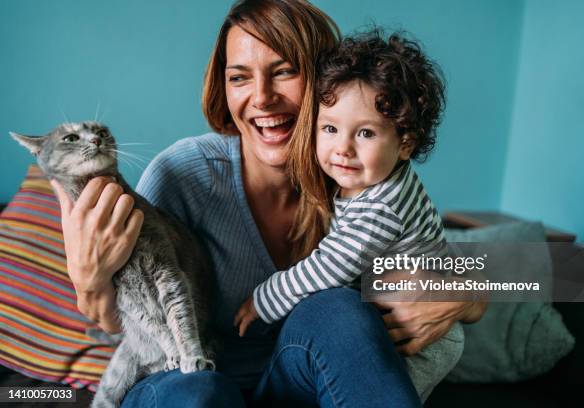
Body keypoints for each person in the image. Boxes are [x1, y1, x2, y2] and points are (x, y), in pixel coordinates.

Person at [51, 1, 486, 406]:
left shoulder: (355, 171)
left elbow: (515, 268)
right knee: (197, 390)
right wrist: (90, 285)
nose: (261, 97)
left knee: (337, 309)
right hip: (186, 381)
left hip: (295, 384)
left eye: (283, 72)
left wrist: (467, 294)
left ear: (325, 83)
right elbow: (125, 330)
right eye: (239, 77)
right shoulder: (185, 174)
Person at [235, 30, 449, 329]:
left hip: (418, 332)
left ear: (406, 144)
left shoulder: (382, 206)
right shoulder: (364, 179)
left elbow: (330, 266)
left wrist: (265, 298)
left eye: (366, 133)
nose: (344, 149)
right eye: (330, 129)